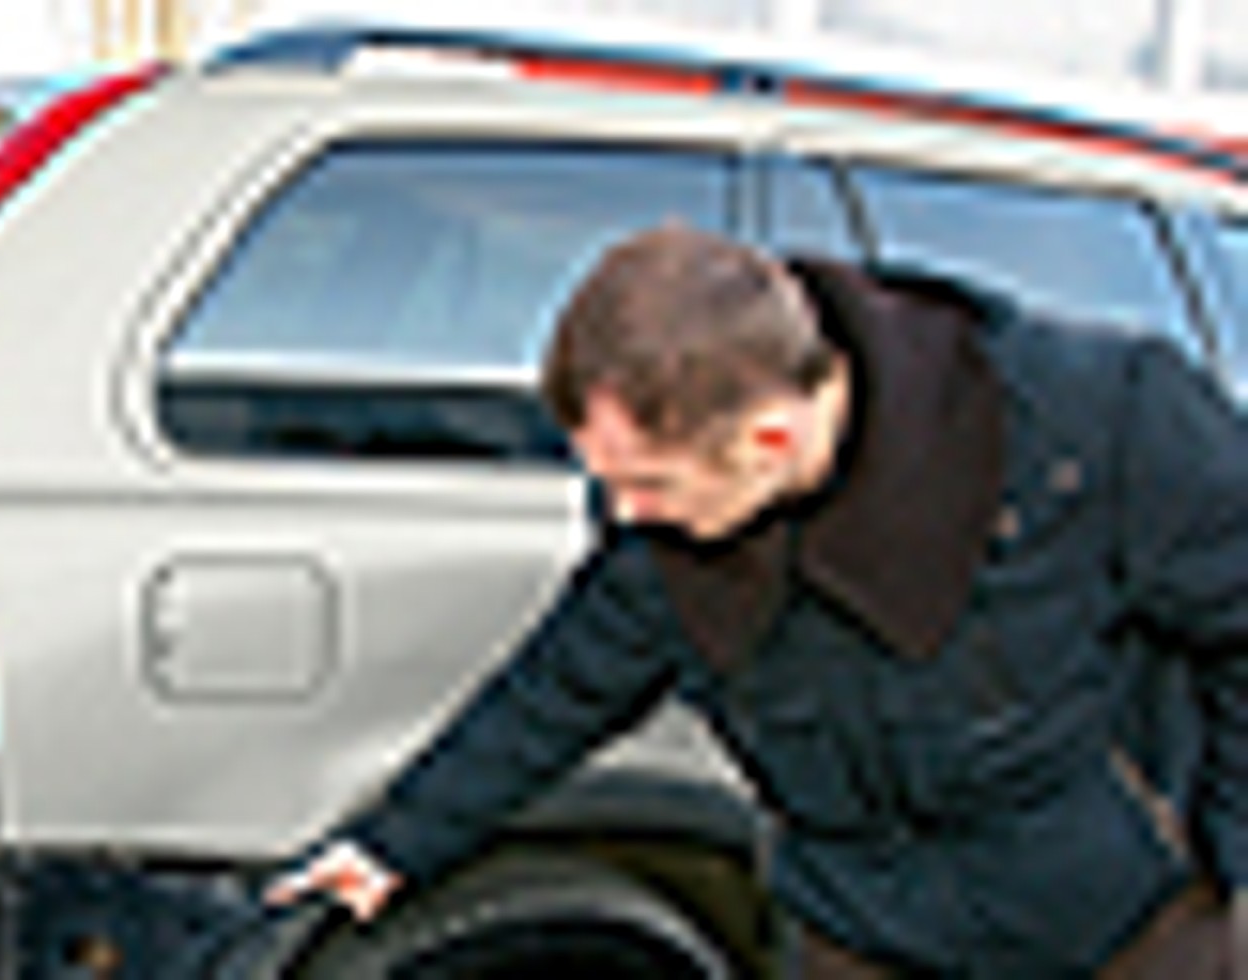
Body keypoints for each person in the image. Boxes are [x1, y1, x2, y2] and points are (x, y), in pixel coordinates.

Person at [268, 224, 1248, 977]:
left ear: (771, 439)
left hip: (1127, 938)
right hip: (861, 935)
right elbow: (561, 686)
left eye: (649, 483)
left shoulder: (1094, 423)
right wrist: (396, 841)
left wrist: (1232, 859)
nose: (624, 512)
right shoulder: (670, 527)